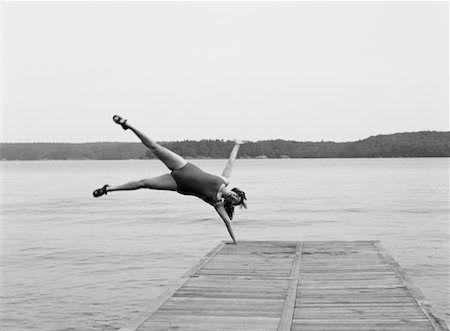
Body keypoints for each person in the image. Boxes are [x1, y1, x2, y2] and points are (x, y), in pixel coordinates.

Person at [93, 115, 247, 244]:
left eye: (235, 201)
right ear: (235, 192)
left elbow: (227, 222)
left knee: (143, 183)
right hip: (183, 166)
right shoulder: (224, 179)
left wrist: (235, 242)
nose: (234, 198)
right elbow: (231, 161)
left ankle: (108, 189)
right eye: (236, 196)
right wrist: (237, 145)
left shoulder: (217, 203)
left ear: (230, 203)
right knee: (155, 147)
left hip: (177, 183)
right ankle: (128, 125)